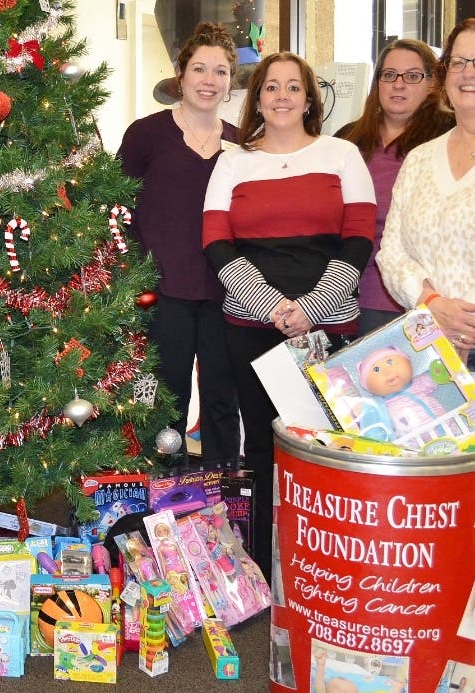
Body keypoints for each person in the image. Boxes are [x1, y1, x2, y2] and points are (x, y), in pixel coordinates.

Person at [202, 52, 376, 576]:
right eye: (270, 87)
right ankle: (261, 559)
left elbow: (360, 237)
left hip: (326, 326)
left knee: (323, 444)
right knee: (259, 441)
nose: (281, 96)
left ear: (308, 98)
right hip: (252, 324)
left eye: (292, 87)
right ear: (256, 99)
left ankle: (318, 559)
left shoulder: (342, 153)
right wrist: (271, 305)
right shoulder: (233, 160)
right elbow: (215, 240)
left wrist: (312, 309)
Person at [118, 22, 241, 470]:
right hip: (162, 291)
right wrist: (134, 273)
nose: (209, 81)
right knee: (164, 401)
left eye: (221, 72)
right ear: (181, 74)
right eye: (200, 69)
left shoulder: (243, 143)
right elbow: (116, 207)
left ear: (231, 82)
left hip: (226, 293)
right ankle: (163, 500)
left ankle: (228, 495)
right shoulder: (146, 135)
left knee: (222, 402)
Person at [336, 38, 454, 335]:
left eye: (412, 76)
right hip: (343, 296)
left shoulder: (448, 139)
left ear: (432, 83)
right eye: (389, 75)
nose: (398, 84)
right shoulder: (347, 140)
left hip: (417, 299)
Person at [378, 18, 475, 370]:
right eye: (459, 62)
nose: (468, 73)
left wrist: (464, 322)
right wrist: (432, 302)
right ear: (445, 76)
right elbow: (391, 252)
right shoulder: (420, 159)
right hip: (426, 352)